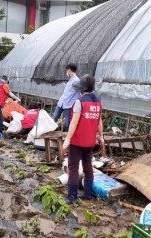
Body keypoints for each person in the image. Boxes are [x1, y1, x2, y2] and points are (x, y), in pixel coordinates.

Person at [62, 75, 104, 204]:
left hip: (77, 141)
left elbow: (74, 123)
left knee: (73, 168)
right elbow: (99, 121)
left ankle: (72, 196)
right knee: (88, 167)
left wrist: (67, 140)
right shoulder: (98, 102)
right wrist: (101, 137)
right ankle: (87, 194)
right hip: (90, 142)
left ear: (82, 88)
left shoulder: (80, 102)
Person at [0, 71, 20, 139]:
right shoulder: (4, 85)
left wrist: (5, 100)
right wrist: (18, 99)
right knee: (0, 119)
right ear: (6, 80)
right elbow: (10, 94)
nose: (7, 83)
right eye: (7, 82)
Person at [53, 63, 80, 131]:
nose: (66, 72)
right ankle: (50, 131)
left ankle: (66, 137)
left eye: (66, 70)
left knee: (67, 123)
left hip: (68, 104)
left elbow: (78, 94)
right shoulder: (71, 80)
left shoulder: (76, 80)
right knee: (54, 118)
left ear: (69, 70)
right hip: (61, 103)